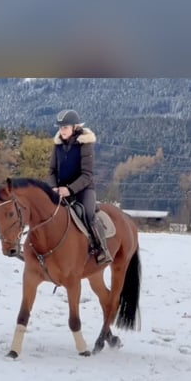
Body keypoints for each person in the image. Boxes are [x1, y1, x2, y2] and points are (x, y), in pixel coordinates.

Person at [48, 109, 113, 265]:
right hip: (61, 190)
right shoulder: (57, 146)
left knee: (88, 214)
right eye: (60, 127)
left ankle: (101, 249)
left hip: (84, 189)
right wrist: (53, 187)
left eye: (65, 127)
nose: (62, 130)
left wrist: (69, 189)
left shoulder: (85, 145)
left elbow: (87, 174)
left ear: (75, 127)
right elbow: (52, 171)